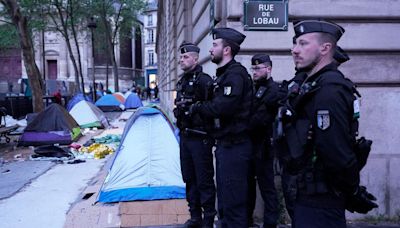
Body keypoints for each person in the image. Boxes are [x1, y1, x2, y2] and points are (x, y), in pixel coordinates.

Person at [281, 19, 378, 227]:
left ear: (325, 48)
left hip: (321, 202)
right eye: (295, 43)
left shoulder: (329, 91)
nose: (294, 50)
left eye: (303, 43)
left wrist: (352, 191)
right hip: (307, 197)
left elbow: (336, 152)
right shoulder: (312, 86)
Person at [189, 27, 253, 228]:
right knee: (225, 201)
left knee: (234, 203)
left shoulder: (235, 75)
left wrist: (199, 107)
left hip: (236, 146)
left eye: (215, 45)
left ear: (226, 50)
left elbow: (222, 107)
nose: (210, 50)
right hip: (226, 145)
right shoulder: (225, 74)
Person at [173, 42, 216, 228]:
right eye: (181, 57)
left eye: (185, 57)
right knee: (189, 178)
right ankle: (195, 216)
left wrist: (194, 110)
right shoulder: (182, 81)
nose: (181, 60)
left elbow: (213, 108)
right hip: (185, 137)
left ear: (195, 59)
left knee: (204, 180)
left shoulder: (204, 81)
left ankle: (208, 219)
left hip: (200, 137)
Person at [247, 54, 282, 228]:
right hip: (251, 144)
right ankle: (248, 220)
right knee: (248, 185)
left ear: (268, 69)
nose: (254, 71)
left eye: (258, 68)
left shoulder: (273, 90)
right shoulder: (253, 89)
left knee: (267, 188)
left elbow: (260, 119)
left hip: (265, 145)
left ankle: (270, 223)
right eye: (253, 68)